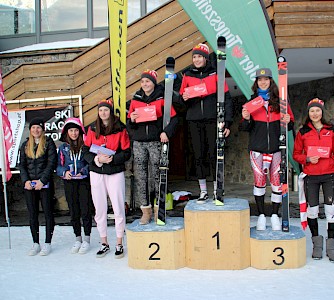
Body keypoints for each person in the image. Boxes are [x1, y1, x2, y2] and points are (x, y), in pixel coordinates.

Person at [241, 68, 294, 231]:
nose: (263, 82)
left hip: (277, 149)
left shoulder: (281, 102)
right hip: (257, 149)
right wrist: (246, 118)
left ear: (271, 81)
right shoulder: (251, 102)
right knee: (259, 182)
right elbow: (244, 128)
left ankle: (275, 215)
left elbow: (291, 125)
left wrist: (287, 120)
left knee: (277, 183)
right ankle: (261, 216)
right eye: (260, 79)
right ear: (256, 83)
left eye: (266, 79)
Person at [179, 43, 233, 203]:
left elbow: (227, 98)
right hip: (194, 120)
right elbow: (181, 102)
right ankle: (203, 191)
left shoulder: (215, 73)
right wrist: (184, 99)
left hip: (213, 119)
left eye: (199, 56)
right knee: (198, 155)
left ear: (205, 58)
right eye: (194, 57)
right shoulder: (187, 75)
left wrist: (227, 122)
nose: (196, 59)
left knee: (214, 154)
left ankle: (217, 190)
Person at [293, 98, 334, 262]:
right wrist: (307, 159)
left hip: (329, 175)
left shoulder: (332, 130)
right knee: (312, 211)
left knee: (331, 210)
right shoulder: (303, 132)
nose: (315, 113)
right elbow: (296, 154)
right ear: (308, 113)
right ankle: (317, 244)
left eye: (318, 110)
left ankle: (331, 246)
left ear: (322, 112)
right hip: (311, 176)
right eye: (312, 111)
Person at [127, 70, 178, 224]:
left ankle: (159, 209)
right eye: (142, 82)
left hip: (156, 141)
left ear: (154, 83)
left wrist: (166, 133)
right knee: (141, 176)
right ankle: (145, 211)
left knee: (158, 174)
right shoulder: (135, 100)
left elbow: (174, 118)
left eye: (147, 81)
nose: (145, 84)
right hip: (139, 142)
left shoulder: (162, 98)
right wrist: (133, 120)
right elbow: (129, 124)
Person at [83, 100, 131, 258]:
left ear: (110, 112)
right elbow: (85, 151)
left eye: (106, 110)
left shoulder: (120, 128)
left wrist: (113, 159)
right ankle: (104, 242)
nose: (103, 113)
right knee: (100, 209)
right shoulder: (92, 128)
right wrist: (97, 160)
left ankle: (119, 243)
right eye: (101, 110)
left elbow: (126, 152)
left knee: (118, 207)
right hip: (96, 172)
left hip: (114, 172)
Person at [18, 118, 57, 256]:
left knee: (47, 213)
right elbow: (21, 165)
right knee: (32, 214)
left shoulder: (48, 143)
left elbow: (52, 162)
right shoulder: (25, 145)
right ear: (30, 130)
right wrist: (25, 181)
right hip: (29, 185)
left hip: (44, 184)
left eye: (39, 128)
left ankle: (47, 242)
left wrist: (42, 180)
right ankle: (35, 242)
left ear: (43, 129)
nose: (36, 130)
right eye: (33, 128)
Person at [56, 117, 92, 254]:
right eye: (71, 130)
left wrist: (84, 171)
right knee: (73, 209)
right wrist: (64, 172)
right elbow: (58, 165)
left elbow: (90, 162)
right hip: (69, 182)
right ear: (67, 132)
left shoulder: (85, 146)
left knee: (85, 208)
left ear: (80, 131)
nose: (74, 133)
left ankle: (87, 238)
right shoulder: (63, 148)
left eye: (76, 130)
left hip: (83, 181)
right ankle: (78, 238)